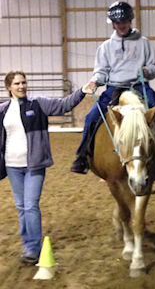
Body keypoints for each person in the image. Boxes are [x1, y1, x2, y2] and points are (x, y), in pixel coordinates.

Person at [70, 0, 155, 174]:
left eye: (124, 22)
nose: (121, 25)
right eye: (117, 23)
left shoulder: (144, 43)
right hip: (113, 89)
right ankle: (82, 157)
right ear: (113, 24)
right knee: (91, 117)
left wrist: (147, 71)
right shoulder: (105, 47)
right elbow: (101, 71)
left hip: (140, 87)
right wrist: (96, 81)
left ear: (130, 21)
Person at [0, 71, 94, 265]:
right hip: (12, 165)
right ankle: (28, 245)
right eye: (17, 83)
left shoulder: (38, 103)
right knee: (21, 207)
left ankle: (33, 249)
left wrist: (82, 91)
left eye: (24, 82)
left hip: (34, 164)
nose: (21, 86)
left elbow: (63, 105)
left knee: (30, 205)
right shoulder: (3, 110)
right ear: (9, 87)